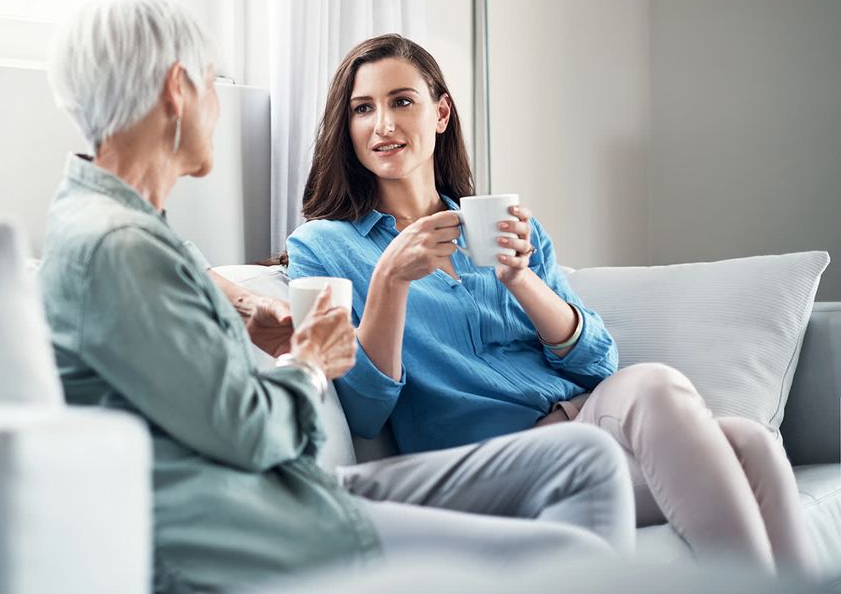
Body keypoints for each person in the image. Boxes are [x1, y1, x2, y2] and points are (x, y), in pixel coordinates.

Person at [38, 0, 636, 594]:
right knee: (569, 546)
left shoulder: (110, 225)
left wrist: (243, 309)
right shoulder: (121, 244)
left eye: (404, 102)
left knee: (588, 458)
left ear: (441, 113)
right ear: (177, 89)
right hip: (261, 520)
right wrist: (310, 363)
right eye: (211, 85)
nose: (215, 106)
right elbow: (249, 431)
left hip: (289, 494)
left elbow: (169, 290)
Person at [286, 33, 817, 577]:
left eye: (402, 101)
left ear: (440, 112)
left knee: (747, 438)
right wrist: (391, 281)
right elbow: (366, 412)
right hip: (504, 462)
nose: (383, 126)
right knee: (691, 411)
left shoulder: (508, 230)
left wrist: (520, 278)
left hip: (588, 417)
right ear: (346, 127)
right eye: (362, 109)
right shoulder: (323, 247)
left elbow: (596, 365)